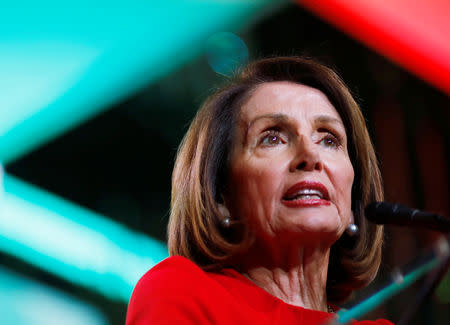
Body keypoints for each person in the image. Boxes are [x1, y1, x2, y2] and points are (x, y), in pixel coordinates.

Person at [126, 57, 393, 324]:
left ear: (352, 202)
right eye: (272, 138)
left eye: (328, 139)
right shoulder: (181, 291)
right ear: (220, 195)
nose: (310, 155)